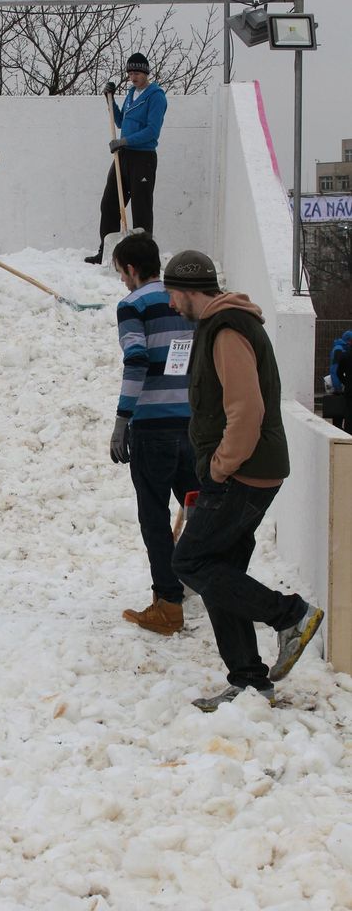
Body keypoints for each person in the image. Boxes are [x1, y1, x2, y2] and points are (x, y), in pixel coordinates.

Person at [164, 250, 324, 712]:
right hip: (246, 468)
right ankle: (250, 683)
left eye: (174, 295)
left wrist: (219, 465)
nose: (173, 305)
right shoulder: (224, 324)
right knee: (221, 574)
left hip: (242, 472)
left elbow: (246, 410)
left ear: (191, 291)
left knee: (190, 562)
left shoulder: (227, 329)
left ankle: (290, 615)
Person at [109, 233, 199, 635]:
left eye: (121, 273)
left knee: (154, 516)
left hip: (153, 429)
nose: (123, 282)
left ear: (131, 269)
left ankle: (168, 604)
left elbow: (137, 360)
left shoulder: (132, 305)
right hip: (193, 425)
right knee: (198, 507)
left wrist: (121, 419)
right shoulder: (187, 300)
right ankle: (211, 581)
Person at [85, 53, 167, 264]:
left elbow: (152, 131)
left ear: (146, 72)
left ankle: (144, 258)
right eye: (130, 73)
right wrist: (110, 100)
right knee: (109, 203)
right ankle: (107, 252)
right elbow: (120, 121)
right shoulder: (131, 93)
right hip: (123, 156)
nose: (133, 77)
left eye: (137, 73)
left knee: (141, 208)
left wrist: (126, 141)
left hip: (143, 158)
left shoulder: (156, 96)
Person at [329, 331, 352, 429]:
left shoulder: (343, 349)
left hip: (345, 386)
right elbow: (335, 370)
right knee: (341, 413)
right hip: (340, 388)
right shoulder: (339, 350)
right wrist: (338, 388)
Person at [336, 335, 352, 434]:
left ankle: (348, 433)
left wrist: (346, 382)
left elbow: (338, 372)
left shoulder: (346, 355)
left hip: (350, 389)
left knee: (349, 412)